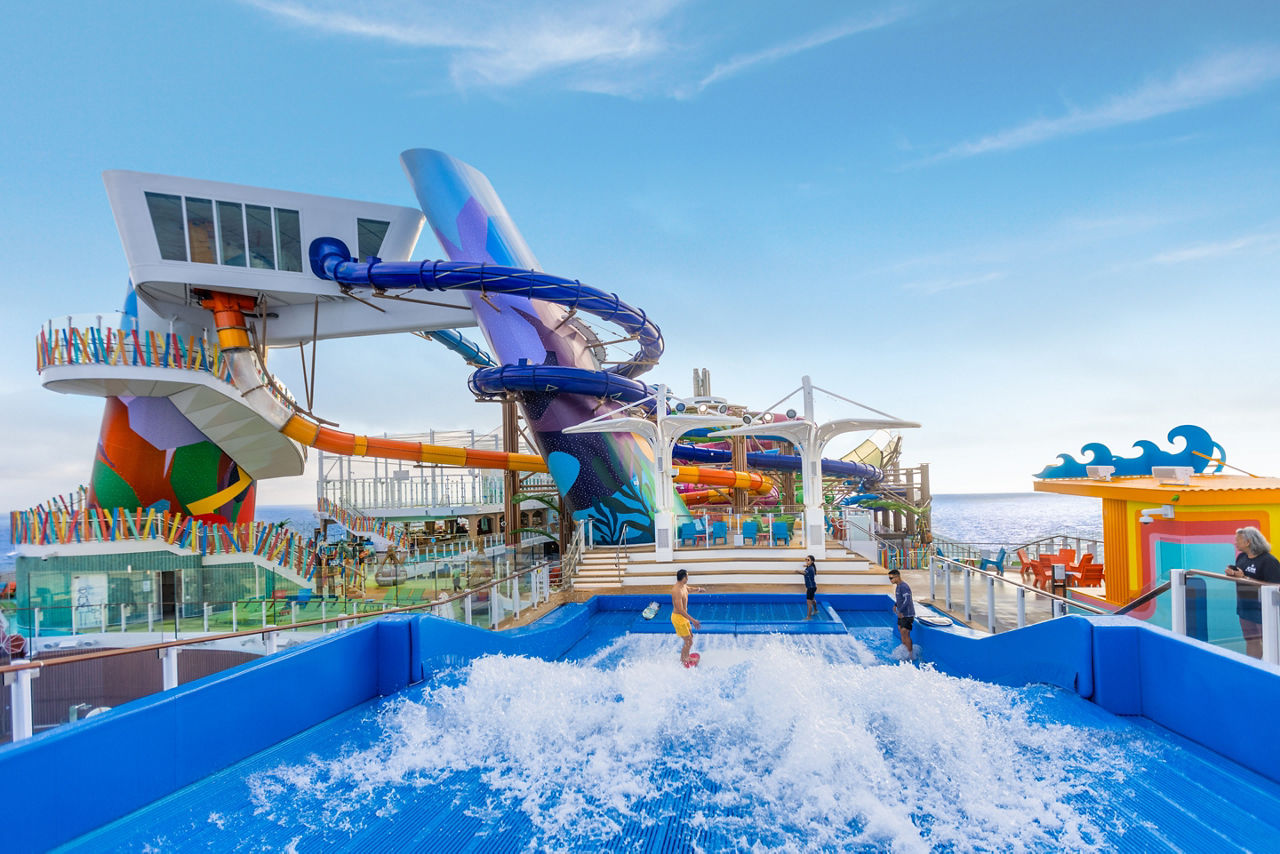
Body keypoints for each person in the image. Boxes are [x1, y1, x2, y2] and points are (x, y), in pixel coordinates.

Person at [1225, 526, 1280, 658]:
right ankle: (1253, 666)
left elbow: (1276, 586)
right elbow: (1240, 575)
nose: (1235, 542)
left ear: (1248, 542)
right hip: (1245, 607)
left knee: (1269, 642)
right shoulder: (1242, 557)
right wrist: (1232, 573)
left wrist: (1245, 578)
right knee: (1250, 640)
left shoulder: (1269, 561)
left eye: (1237, 540)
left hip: (1263, 609)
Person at [671, 569, 707, 665]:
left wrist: (699, 589)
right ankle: (684, 660)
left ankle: (686, 656)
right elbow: (680, 610)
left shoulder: (683, 586)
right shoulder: (676, 591)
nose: (688, 578)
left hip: (683, 617)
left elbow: (689, 589)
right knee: (688, 642)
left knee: (690, 638)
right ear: (683, 578)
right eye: (687, 576)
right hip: (678, 618)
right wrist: (693, 620)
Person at [888, 568, 915, 657]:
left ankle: (911, 654)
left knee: (905, 632)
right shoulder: (898, 586)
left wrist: (901, 610)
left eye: (891, 578)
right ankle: (905, 650)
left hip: (907, 614)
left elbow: (907, 600)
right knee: (901, 631)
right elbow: (900, 599)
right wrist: (896, 604)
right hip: (901, 614)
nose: (890, 580)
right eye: (889, 578)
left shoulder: (904, 586)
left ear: (897, 577)